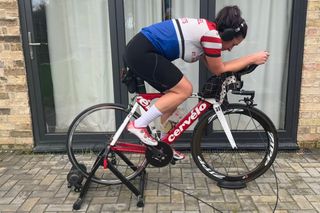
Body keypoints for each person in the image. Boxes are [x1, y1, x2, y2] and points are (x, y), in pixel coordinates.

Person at [124, 5, 269, 160]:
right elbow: (219, 69)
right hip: (143, 52)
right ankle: (138, 124)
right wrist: (252, 58)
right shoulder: (211, 35)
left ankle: (163, 145)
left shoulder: (208, 31)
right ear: (227, 35)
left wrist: (245, 63)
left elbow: (214, 68)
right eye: (233, 44)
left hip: (141, 50)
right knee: (185, 90)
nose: (231, 49)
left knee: (174, 98)